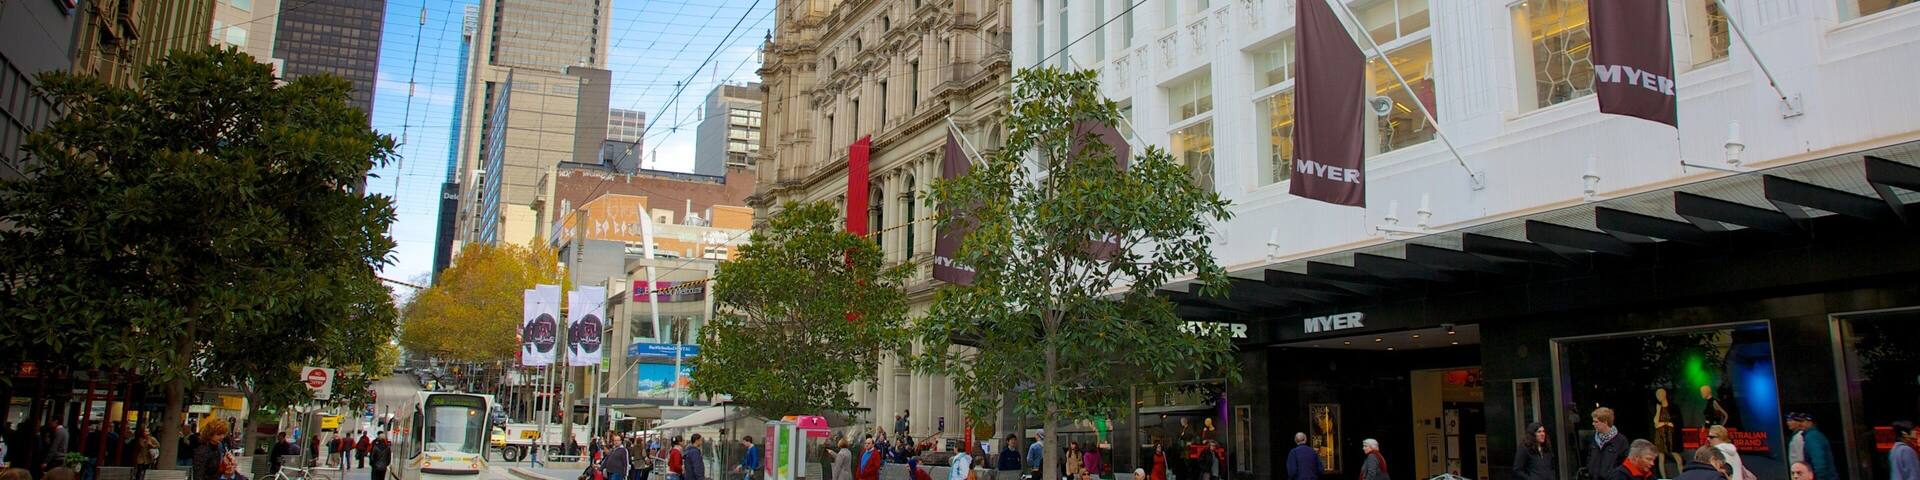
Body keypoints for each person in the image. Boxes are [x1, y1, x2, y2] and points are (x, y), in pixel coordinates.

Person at [1789, 413, 1838, 480]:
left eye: (1803, 421)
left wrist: (1820, 477)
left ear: (1810, 422)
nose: (1800, 424)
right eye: (1799, 421)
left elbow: (1819, 460)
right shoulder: (1811, 435)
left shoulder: (1812, 436)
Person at [1584, 408, 1630, 480]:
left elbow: (1624, 463)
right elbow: (1589, 457)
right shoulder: (1593, 438)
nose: (1593, 424)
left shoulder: (1621, 440)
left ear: (1605, 422)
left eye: (1596, 422)